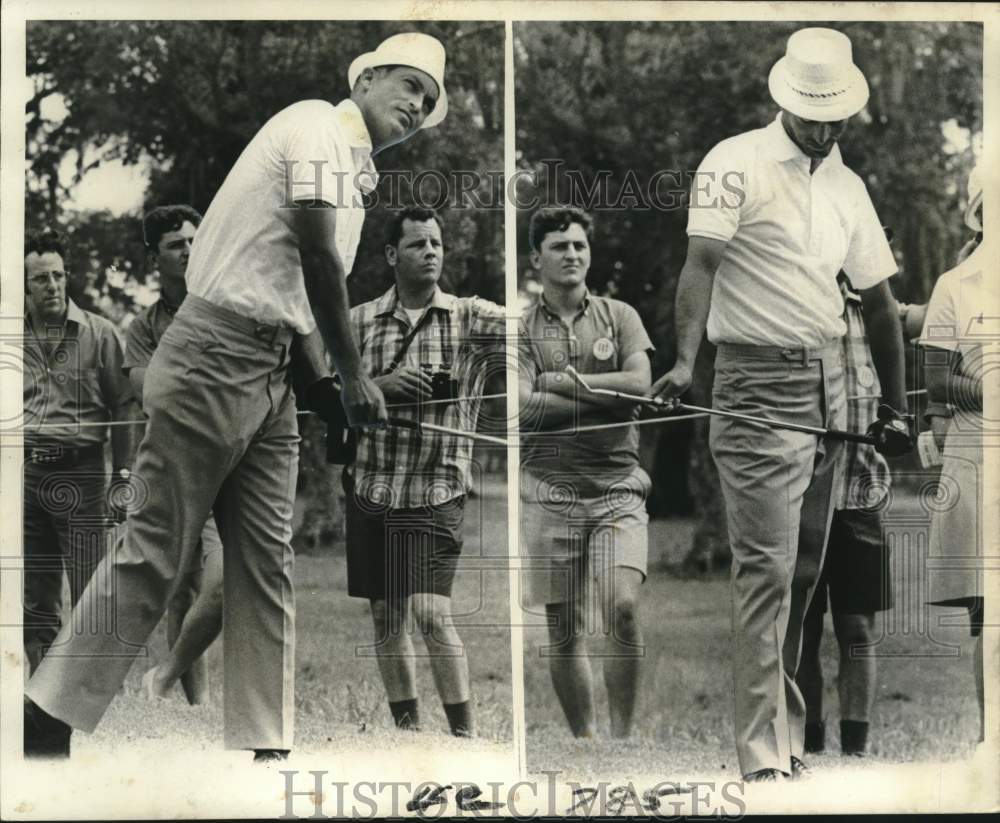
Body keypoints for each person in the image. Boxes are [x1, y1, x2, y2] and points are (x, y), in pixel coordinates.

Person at [24, 32, 448, 761]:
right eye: (409, 85)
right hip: (213, 352)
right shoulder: (317, 122)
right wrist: (351, 375)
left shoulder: (358, 175)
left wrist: (323, 389)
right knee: (155, 551)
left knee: (265, 559)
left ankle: (267, 741)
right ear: (369, 78)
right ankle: (45, 715)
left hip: (273, 370)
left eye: (430, 100)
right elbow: (316, 257)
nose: (417, 105)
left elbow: (296, 295)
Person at [652, 27, 912, 782]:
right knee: (765, 571)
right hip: (754, 383)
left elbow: (882, 305)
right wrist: (683, 358)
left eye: (835, 119)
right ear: (784, 101)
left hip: (829, 383)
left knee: (802, 573)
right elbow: (699, 267)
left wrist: (894, 409)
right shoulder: (733, 163)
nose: (824, 131)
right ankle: (762, 756)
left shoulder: (847, 186)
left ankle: (790, 739)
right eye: (811, 116)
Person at [339, 206, 505, 737]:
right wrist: (379, 388)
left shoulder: (469, 315)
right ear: (392, 255)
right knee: (386, 617)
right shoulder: (358, 320)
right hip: (372, 483)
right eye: (417, 244)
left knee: (431, 612)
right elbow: (325, 391)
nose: (430, 252)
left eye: (436, 244)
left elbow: (533, 331)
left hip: (438, 486)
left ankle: (464, 736)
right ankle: (406, 733)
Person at [519, 207, 653, 739]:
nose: (572, 254)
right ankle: (586, 745)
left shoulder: (620, 316)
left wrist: (570, 387)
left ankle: (622, 743)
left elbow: (640, 385)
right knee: (563, 627)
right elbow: (524, 408)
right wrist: (607, 399)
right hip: (549, 491)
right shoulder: (520, 329)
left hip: (619, 487)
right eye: (559, 246)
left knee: (621, 608)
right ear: (536, 258)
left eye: (579, 245)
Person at [22, 228, 136, 675]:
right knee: (35, 594)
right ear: (24, 285)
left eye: (57, 276)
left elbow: (124, 404)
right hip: (27, 475)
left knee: (91, 589)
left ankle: (88, 686)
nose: (51, 286)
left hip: (84, 475)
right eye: (40, 279)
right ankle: (42, 692)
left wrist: (122, 476)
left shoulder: (98, 334)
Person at [123, 205, 223, 706]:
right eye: (175, 244)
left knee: (232, 584)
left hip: (237, 463)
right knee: (182, 586)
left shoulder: (226, 304)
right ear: (154, 257)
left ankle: (166, 674)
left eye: (193, 240)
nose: (187, 250)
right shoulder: (142, 329)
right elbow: (151, 393)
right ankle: (197, 706)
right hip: (180, 470)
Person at [795, 273, 895, 758]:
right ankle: (807, 743)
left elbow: (920, 321)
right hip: (801, 493)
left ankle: (855, 750)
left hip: (860, 489)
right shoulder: (790, 293)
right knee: (804, 627)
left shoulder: (873, 309)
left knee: (856, 626)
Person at [919, 161, 987, 746]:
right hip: (976, 454)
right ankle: (992, 741)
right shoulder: (955, 286)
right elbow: (937, 383)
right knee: (987, 619)